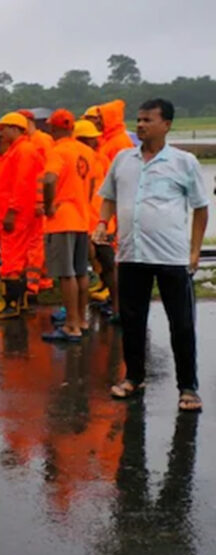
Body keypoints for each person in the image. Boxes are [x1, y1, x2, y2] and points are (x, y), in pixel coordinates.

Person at [94, 99, 209, 412]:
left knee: (181, 324)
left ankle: (188, 387)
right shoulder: (122, 160)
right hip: (131, 255)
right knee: (132, 321)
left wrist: (194, 251)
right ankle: (133, 377)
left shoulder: (184, 162)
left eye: (147, 120)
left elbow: (200, 208)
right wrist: (103, 222)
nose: (140, 125)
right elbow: (108, 197)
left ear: (166, 125)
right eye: (139, 120)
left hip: (172, 257)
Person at [40, 109, 94, 342]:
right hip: (82, 217)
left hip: (62, 219)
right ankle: (81, 320)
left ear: (52, 129)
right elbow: (92, 186)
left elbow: (50, 179)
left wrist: (49, 204)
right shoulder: (86, 152)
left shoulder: (57, 151)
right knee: (81, 271)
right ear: (72, 128)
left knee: (66, 274)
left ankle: (71, 325)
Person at [0, 112, 44, 320]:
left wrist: (11, 211)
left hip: (16, 215)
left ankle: (12, 304)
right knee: (13, 258)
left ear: (16, 129)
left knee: (12, 259)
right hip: (11, 213)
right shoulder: (17, 151)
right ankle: (19, 302)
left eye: (4, 129)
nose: (0, 133)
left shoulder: (24, 151)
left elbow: (22, 186)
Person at [75, 120, 119, 320]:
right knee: (104, 266)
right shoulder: (98, 159)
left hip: (94, 221)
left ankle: (117, 307)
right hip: (98, 221)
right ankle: (115, 306)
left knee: (104, 266)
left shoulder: (89, 160)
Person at [18, 109, 55, 295]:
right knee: (38, 242)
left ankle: (34, 284)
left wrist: (41, 201)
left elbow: (47, 174)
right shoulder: (30, 142)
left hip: (39, 202)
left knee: (37, 242)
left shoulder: (41, 141)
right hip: (32, 201)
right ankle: (44, 280)